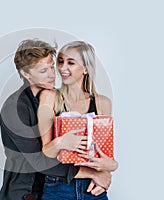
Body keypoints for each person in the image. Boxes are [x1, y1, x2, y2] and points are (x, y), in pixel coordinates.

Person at [0, 39, 112, 200]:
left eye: (52, 66)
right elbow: (38, 159)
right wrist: (94, 174)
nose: (53, 74)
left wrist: (105, 171)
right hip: (27, 191)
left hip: (62, 186)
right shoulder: (15, 109)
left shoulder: (57, 99)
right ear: (26, 73)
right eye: (44, 70)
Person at [38, 41, 118, 200]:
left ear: (86, 69)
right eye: (60, 62)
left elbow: (104, 153)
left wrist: (109, 169)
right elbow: (45, 152)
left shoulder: (102, 103)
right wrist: (61, 142)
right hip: (58, 187)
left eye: (71, 63)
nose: (62, 68)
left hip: (93, 186)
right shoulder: (50, 97)